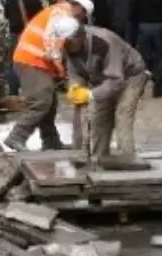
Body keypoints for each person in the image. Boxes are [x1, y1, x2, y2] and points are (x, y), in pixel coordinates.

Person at [3, 0, 94, 151]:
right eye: (83, 15)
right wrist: (61, 71)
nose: (81, 19)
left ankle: (51, 141)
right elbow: (52, 45)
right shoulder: (62, 14)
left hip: (36, 60)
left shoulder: (59, 12)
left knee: (50, 102)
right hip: (30, 60)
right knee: (40, 101)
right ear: (79, 8)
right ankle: (17, 136)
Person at [62, 21, 148, 159]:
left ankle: (127, 158)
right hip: (104, 78)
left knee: (122, 114)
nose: (64, 47)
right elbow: (76, 72)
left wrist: (91, 94)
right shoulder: (69, 46)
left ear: (79, 38)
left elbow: (116, 80)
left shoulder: (103, 42)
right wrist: (75, 86)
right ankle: (99, 157)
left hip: (130, 75)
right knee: (99, 115)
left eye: (67, 44)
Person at [3, 0, 44, 95]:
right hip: (32, 35)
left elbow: (6, 16)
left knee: (13, 63)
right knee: (32, 63)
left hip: (15, 35)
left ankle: (13, 90)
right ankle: (31, 90)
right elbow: (41, 16)